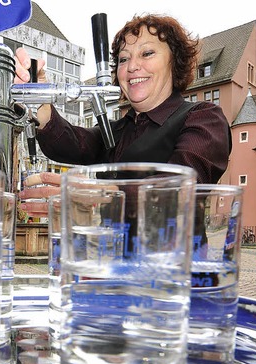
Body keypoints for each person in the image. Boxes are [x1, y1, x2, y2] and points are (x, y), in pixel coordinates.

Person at [15, 13, 231, 216]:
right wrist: (41, 102)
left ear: (174, 63)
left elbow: (179, 189)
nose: (132, 67)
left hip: (174, 255)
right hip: (113, 253)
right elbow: (69, 143)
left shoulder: (204, 118)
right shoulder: (115, 131)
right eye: (123, 59)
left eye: (147, 53)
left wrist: (101, 194)